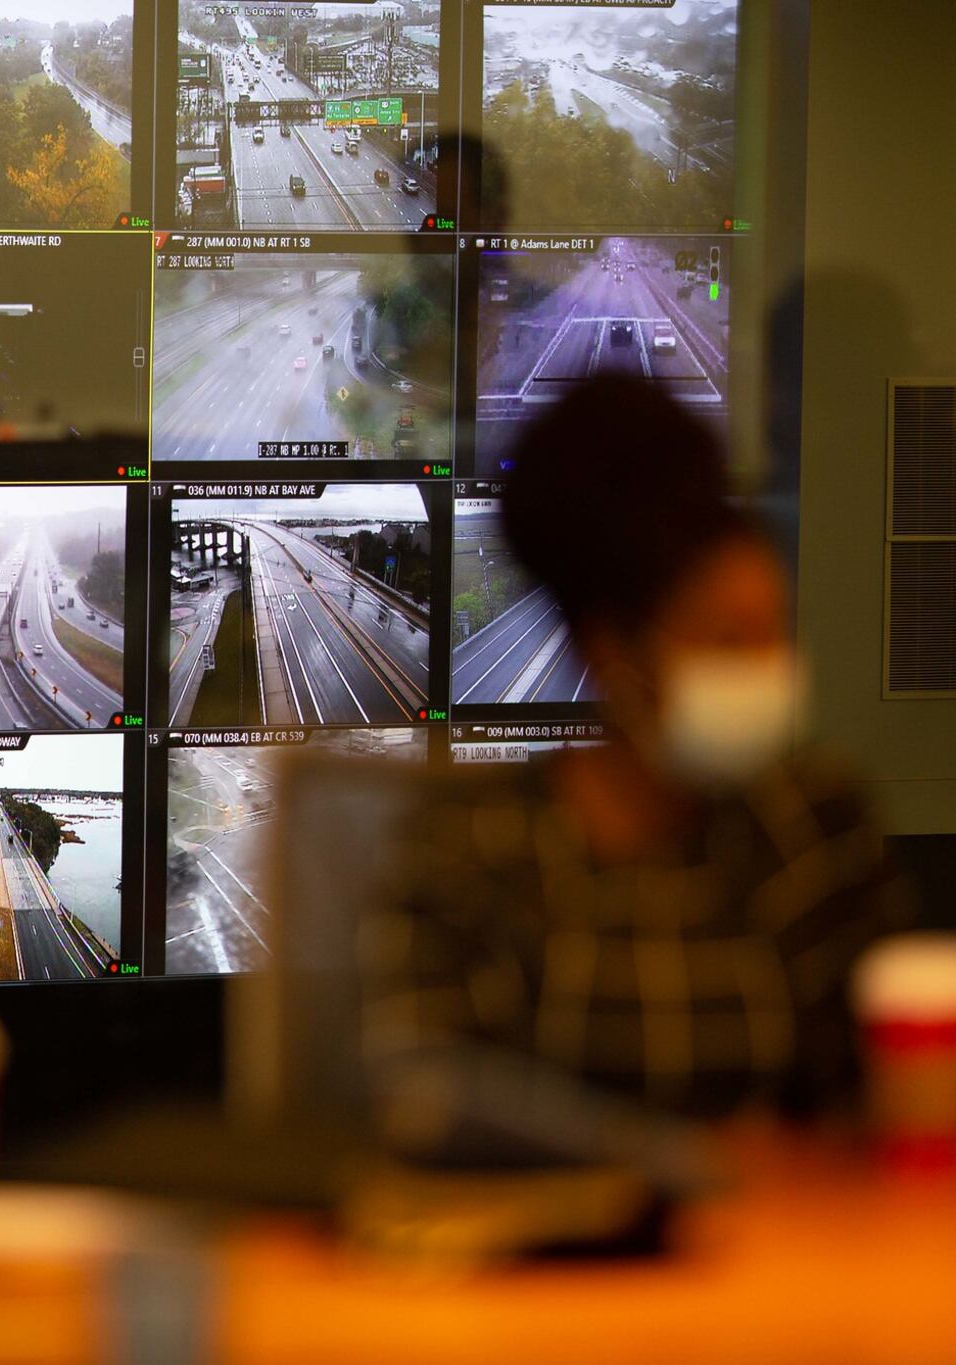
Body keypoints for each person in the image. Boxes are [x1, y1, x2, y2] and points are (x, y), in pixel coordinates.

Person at [362, 379, 908, 1165]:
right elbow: (432, 1103)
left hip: (788, 1262)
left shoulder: (809, 824)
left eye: (776, 631)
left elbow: (870, 1106)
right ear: (616, 654)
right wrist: (688, 1165)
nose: (771, 669)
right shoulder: (477, 849)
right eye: (729, 641)